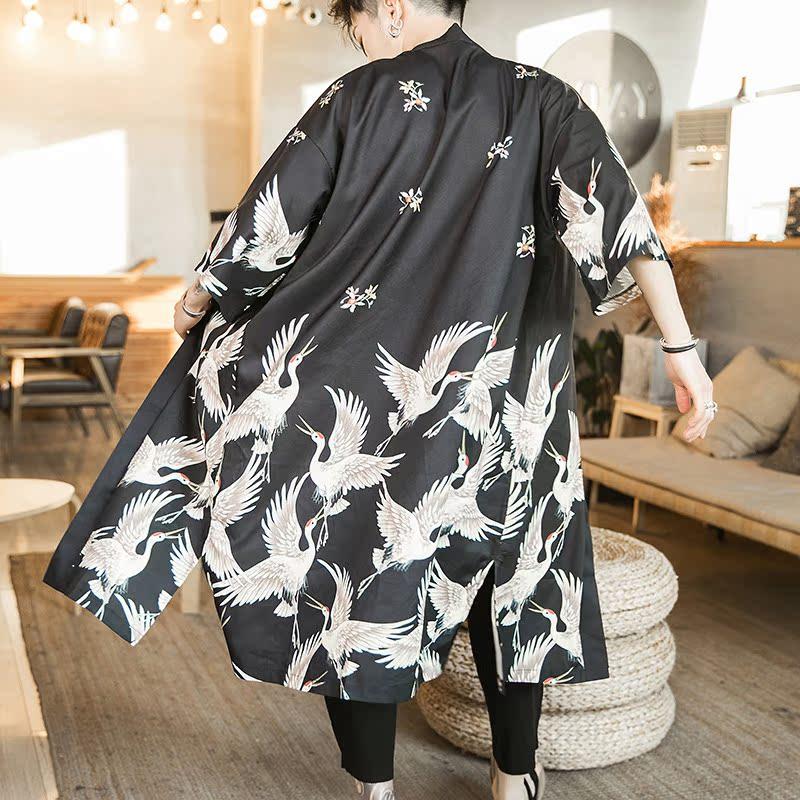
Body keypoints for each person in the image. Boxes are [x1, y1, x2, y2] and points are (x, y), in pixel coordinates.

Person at [43, 1, 716, 799]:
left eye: (355, 25)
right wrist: (682, 352)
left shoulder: (355, 100)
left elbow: (266, 224)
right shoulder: (544, 99)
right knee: (515, 575)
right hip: (509, 406)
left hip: (372, 404)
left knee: (357, 582)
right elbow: (624, 224)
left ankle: (374, 788)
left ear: (389, 9)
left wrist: (197, 302)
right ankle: (514, 779)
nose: (360, 42)